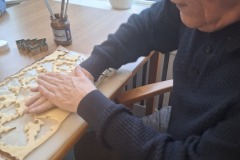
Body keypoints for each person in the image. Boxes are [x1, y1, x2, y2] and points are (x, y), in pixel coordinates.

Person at [25, 0, 240, 159]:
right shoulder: (197, 9)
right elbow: (146, 27)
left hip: (181, 150)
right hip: (178, 123)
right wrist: (87, 70)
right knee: (84, 143)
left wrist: (89, 102)